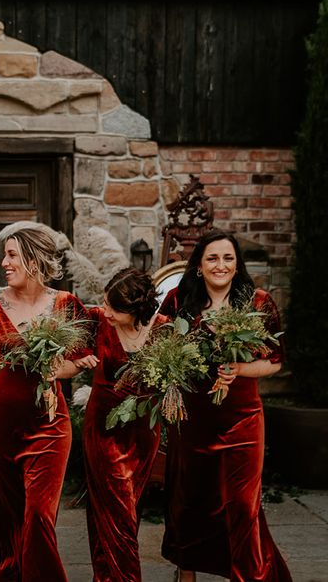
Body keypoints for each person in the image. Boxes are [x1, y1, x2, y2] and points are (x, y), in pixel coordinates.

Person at [0, 223, 90, 582]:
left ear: (34, 258)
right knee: (5, 514)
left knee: (40, 514)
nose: (4, 262)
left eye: (12, 255)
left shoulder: (65, 304)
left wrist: (60, 369)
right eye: (5, 255)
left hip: (50, 423)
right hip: (0, 427)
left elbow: (81, 360)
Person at [158, 230, 292, 582]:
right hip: (192, 418)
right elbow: (158, 349)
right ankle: (186, 574)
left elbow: (276, 362)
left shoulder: (258, 302)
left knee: (242, 504)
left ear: (237, 265)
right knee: (189, 498)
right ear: (199, 267)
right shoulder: (178, 299)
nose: (221, 265)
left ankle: (246, 574)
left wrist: (240, 369)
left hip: (241, 420)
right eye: (212, 258)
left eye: (228, 258)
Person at [81, 268, 169, 582]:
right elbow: (66, 347)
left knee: (126, 511)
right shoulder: (96, 322)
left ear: (136, 309)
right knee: (115, 507)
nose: (106, 311)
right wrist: (77, 360)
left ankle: (104, 576)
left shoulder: (163, 331)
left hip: (144, 434)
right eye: (105, 303)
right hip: (103, 431)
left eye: (113, 308)